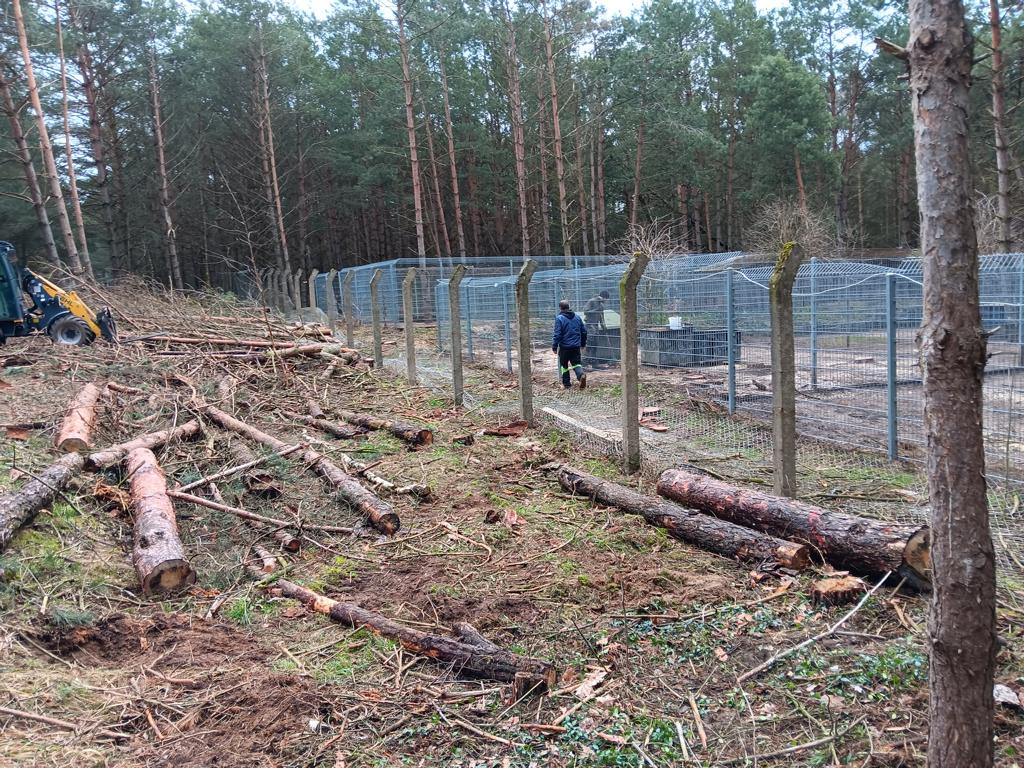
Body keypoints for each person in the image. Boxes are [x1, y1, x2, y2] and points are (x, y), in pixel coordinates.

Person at [552, 299, 588, 389]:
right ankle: (581, 376)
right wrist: (583, 343)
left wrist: (554, 346)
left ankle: (567, 384)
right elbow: (584, 332)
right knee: (576, 364)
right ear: (569, 307)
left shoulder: (559, 318)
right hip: (576, 346)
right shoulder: (577, 317)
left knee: (564, 365)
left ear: (560, 308)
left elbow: (558, 334)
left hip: (564, 347)